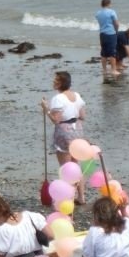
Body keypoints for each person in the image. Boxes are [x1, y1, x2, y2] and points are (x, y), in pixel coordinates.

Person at [41, 70, 86, 204]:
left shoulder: (58, 98)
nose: (53, 82)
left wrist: (46, 108)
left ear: (61, 83)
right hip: (78, 130)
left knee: (66, 167)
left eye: (56, 80)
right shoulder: (77, 96)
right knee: (76, 165)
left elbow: (56, 119)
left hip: (64, 131)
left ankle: (68, 198)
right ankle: (81, 196)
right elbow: (83, 116)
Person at [95, 0, 120, 79]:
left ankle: (104, 69)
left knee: (104, 52)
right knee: (112, 52)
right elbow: (116, 23)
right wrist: (116, 31)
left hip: (102, 33)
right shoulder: (112, 12)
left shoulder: (98, 13)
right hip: (111, 33)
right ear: (109, 4)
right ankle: (113, 70)